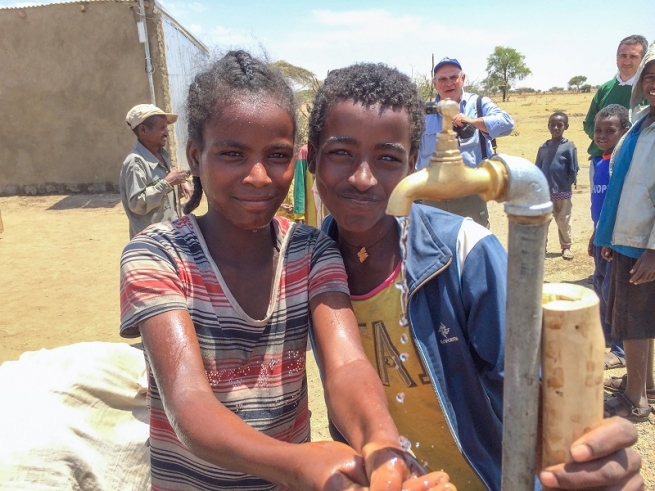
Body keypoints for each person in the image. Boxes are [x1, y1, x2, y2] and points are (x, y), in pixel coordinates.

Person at [119, 51, 453, 491]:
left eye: (276, 155)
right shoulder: (157, 256)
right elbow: (189, 404)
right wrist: (298, 464)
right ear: (196, 156)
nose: (258, 176)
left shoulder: (311, 252)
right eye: (233, 154)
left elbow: (347, 365)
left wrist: (381, 445)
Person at [307, 61, 643, 491]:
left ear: (413, 164)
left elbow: (529, 390)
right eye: (341, 153)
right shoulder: (310, 263)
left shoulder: (464, 254)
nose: (363, 177)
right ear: (313, 157)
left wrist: (580, 459)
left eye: (387, 157)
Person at [596, 44, 655, 422]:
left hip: (643, 243)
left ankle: (635, 400)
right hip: (626, 237)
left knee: (634, 322)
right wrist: (606, 236)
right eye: (650, 78)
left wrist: (654, 250)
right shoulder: (642, 120)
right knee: (640, 318)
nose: (654, 84)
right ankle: (645, 382)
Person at [417, 57, 514, 227]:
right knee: (436, 250)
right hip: (432, 197)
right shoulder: (424, 112)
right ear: (434, 84)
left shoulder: (478, 104)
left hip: (470, 195)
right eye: (442, 79)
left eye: (453, 77)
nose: (449, 83)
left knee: (473, 249)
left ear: (463, 79)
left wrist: (472, 121)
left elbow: (507, 123)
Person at [588, 105, 630, 370]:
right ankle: (604, 339)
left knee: (615, 295)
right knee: (601, 287)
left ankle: (621, 350)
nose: (602, 135)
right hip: (602, 236)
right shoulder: (600, 161)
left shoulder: (622, 164)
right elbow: (599, 206)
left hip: (616, 240)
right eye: (598, 130)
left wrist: (612, 239)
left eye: (610, 130)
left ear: (624, 131)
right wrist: (595, 234)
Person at [120, 103, 192, 239]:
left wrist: (181, 183)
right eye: (162, 128)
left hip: (170, 235)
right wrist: (168, 182)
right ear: (143, 130)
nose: (166, 133)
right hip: (152, 242)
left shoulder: (161, 155)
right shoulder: (136, 162)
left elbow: (163, 191)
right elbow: (136, 204)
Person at [583, 35, 648, 164]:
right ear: (617, 58)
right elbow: (589, 123)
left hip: (634, 161)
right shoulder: (605, 89)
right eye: (623, 55)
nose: (627, 61)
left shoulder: (647, 90)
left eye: (633, 56)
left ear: (643, 60)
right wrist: (603, 139)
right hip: (600, 159)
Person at [535, 112, 579, 260]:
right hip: (545, 193)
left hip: (562, 191)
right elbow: (537, 168)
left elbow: (573, 168)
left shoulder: (569, 146)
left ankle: (566, 247)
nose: (555, 127)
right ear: (548, 126)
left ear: (566, 126)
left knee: (563, 221)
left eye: (559, 125)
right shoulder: (543, 147)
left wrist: (569, 184)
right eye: (552, 124)